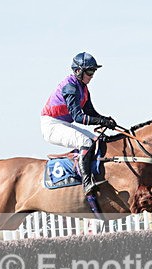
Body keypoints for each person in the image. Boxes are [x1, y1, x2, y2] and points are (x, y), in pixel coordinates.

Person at [41, 52, 117, 196]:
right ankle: (87, 183)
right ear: (78, 71)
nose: (92, 75)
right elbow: (78, 117)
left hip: (64, 124)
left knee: (97, 139)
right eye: (90, 71)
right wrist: (101, 121)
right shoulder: (70, 87)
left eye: (93, 71)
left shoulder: (83, 88)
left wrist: (106, 120)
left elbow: (90, 112)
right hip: (51, 125)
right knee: (86, 142)